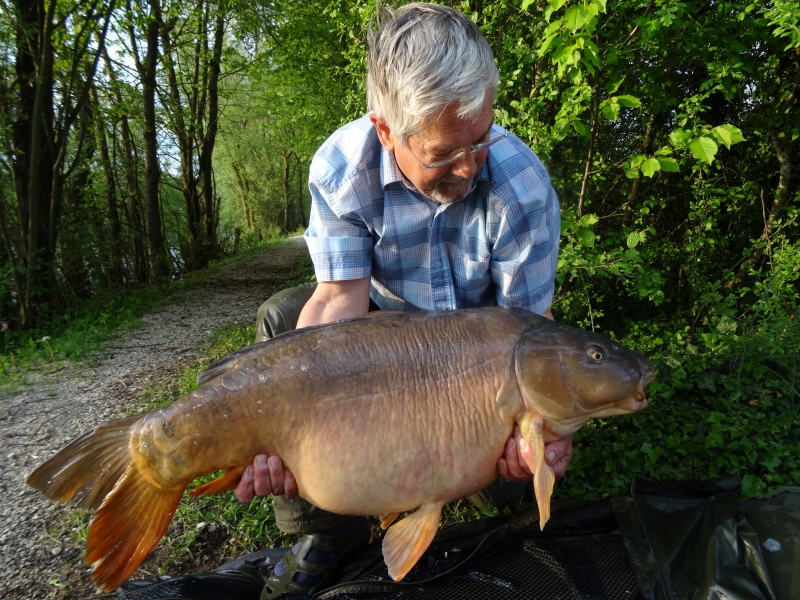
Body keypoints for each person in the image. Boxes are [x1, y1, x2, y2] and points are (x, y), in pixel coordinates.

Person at [238, 4, 572, 597]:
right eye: (444, 154)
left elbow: (531, 326)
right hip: (382, 336)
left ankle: (480, 487)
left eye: (481, 139)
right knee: (285, 319)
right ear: (386, 130)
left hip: (478, 355)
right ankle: (323, 532)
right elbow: (338, 302)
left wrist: (543, 429)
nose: (469, 167)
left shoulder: (520, 185)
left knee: (513, 471)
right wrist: (281, 422)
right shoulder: (343, 169)